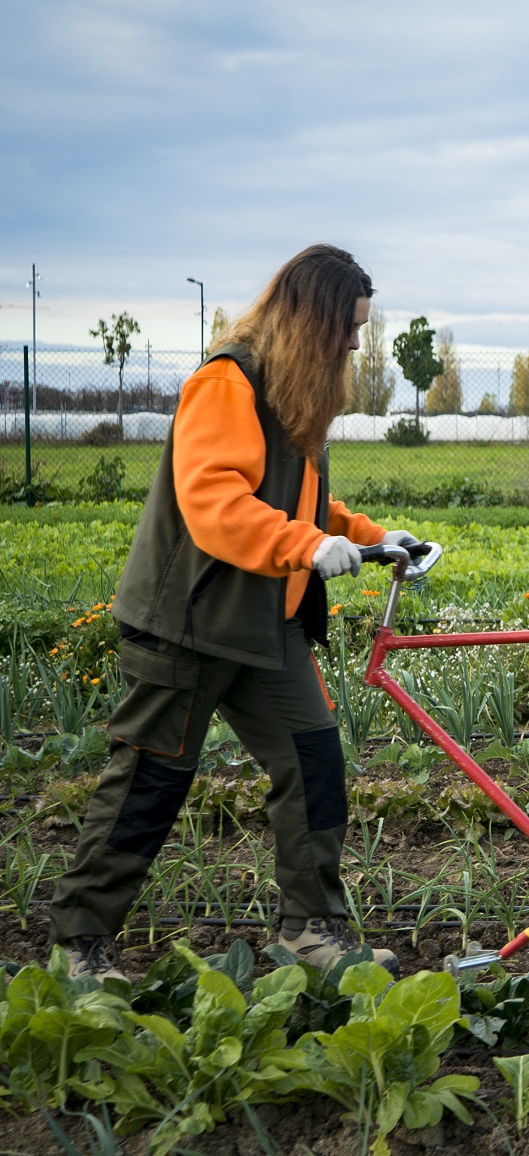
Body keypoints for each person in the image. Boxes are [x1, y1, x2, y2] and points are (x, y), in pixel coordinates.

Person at [51, 244, 415, 982]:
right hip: (189, 621)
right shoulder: (227, 381)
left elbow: (300, 500)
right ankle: (78, 947)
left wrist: (372, 538)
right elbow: (216, 501)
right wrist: (307, 546)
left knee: (313, 763)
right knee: (150, 781)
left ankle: (311, 930)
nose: (355, 342)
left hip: (264, 625)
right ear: (312, 320)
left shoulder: (292, 392)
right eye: (348, 326)